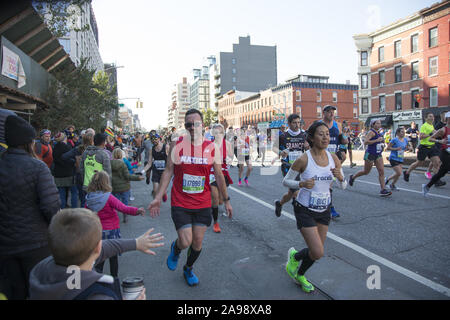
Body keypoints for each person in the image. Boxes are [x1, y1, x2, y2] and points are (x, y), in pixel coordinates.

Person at [149, 108, 233, 286]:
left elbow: (219, 176)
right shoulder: (176, 145)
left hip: (202, 202)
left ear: (202, 125)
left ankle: (188, 268)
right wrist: (158, 195)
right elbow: (168, 171)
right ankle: (176, 247)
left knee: (197, 243)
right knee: (185, 241)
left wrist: (226, 201)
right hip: (180, 201)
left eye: (195, 124)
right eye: (188, 125)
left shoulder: (212, 148)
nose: (192, 127)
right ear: (185, 126)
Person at [29, 208, 164, 300]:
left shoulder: (42, 271)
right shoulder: (98, 295)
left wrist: (135, 243)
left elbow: (105, 247)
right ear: (97, 248)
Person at [0, 115, 60, 299]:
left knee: (14, 292)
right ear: (29, 142)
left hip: (5, 245)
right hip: (37, 244)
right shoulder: (38, 167)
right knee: (41, 291)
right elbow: (51, 207)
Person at [283, 121, 347, 293]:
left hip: (324, 208)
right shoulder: (304, 159)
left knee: (315, 251)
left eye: (327, 133)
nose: (325, 137)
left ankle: (298, 268)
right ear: (311, 138)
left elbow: (344, 185)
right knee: (318, 252)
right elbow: (286, 181)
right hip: (304, 208)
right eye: (321, 134)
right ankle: (296, 263)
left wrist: (340, 177)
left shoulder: (333, 158)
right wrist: (302, 183)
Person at [86, 171, 146, 278]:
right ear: (106, 183)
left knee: (99, 257)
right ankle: (114, 278)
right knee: (113, 257)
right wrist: (137, 211)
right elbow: (123, 208)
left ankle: (96, 278)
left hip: (97, 231)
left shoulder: (89, 199)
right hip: (111, 231)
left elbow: (85, 215)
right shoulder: (108, 197)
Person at [274, 114, 308, 218]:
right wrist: (280, 152)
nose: (297, 125)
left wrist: (308, 147)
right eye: (294, 123)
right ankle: (302, 217)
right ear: (289, 123)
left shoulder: (304, 135)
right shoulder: (283, 136)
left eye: (299, 122)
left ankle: (279, 204)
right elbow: (274, 148)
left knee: (290, 193)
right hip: (288, 167)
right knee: (296, 192)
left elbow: (309, 149)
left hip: (302, 167)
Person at [349, 120, 392, 197]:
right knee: (366, 171)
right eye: (377, 123)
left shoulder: (378, 132)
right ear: (373, 124)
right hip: (370, 154)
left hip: (378, 154)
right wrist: (376, 140)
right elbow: (365, 142)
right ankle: (353, 177)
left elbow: (378, 142)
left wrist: (381, 144)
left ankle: (383, 189)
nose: (379, 125)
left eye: (380, 123)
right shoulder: (371, 132)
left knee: (381, 171)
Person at [403, 113, 444, 186]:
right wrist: (430, 134)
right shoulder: (424, 126)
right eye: (430, 116)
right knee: (419, 163)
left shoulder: (431, 125)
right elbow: (421, 137)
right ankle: (407, 172)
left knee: (436, 163)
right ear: (426, 118)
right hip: (424, 147)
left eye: (433, 116)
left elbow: (434, 133)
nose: (432, 118)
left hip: (432, 146)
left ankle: (436, 180)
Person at [209, 123, 234, 233]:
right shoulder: (210, 145)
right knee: (214, 198)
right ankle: (215, 222)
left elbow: (231, 156)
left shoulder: (227, 144)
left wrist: (229, 160)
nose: (218, 134)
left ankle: (214, 207)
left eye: (220, 132)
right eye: (216, 133)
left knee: (219, 201)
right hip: (212, 173)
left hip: (223, 172)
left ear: (223, 133)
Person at [111, 148, 144, 223]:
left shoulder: (109, 164)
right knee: (125, 203)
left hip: (114, 187)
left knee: (114, 203)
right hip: (125, 187)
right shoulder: (123, 164)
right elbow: (127, 176)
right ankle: (125, 216)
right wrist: (138, 178)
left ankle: (114, 217)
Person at [62, 132, 94, 208]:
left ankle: (81, 217)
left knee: (82, 199)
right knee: (91, 199)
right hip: (91, 176)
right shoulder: (94, 150)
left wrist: (74, 161)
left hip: (80, 175)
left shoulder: (78, 149)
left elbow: (64, 157)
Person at [321, 105, 343, 217]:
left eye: (333, 112)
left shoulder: (337, 125)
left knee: (329, 183)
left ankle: (328, 206)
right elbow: (310, 139)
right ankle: (330, 208)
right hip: (321, 157)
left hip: (334, 158)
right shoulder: (319, 125)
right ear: (323, 113)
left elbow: (342, 140)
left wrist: (342, 150)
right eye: (329, 111)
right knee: (327, 184)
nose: (331, 114)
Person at [422, 112, 450, 196]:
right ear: (448, 119)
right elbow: (431, 139)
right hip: (445, 152)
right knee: (443, 170)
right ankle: (427, 186)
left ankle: (427, 186)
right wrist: (440, 141)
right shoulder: (443, 129)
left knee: (442, 172)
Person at [52, 132, 78, 209]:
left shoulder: (54, 148)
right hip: (69, 173)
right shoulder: (67, 148)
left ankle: (62, 210)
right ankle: (74, 210)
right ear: (64, 138)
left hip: (58, 174)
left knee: (61, 194)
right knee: (74, 192)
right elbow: (72, 159)